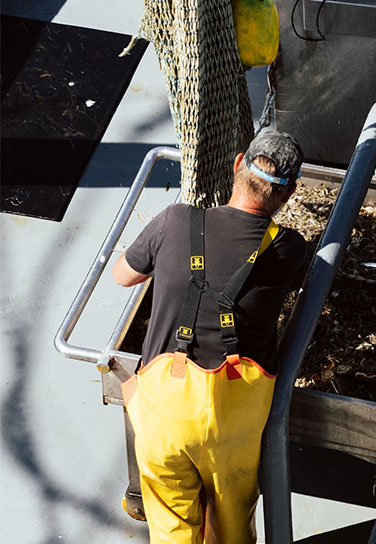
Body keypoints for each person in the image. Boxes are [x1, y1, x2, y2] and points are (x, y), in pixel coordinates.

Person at [113, 129, 307, 543]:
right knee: (232, 529)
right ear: (289, 195)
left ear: (238, 164)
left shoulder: (174, 220)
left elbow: (123, 275)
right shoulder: (289, 249)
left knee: (170, 529)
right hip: (233, 425)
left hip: (164, 415)